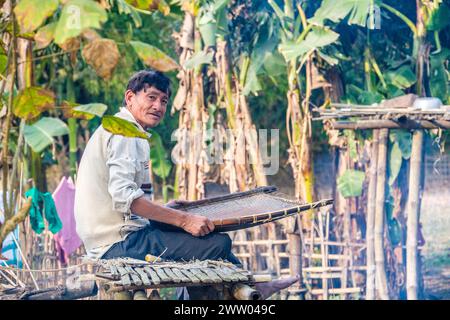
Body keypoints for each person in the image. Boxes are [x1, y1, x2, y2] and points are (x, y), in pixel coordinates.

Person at [74, 69, 298, 299]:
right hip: (118, 244)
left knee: (207, 238)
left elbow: (124, 201)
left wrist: (167, 209)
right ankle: (247, 287)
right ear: (130, 97)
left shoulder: (122, 129)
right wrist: (185, 219)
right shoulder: (126, 133)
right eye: (151, 97)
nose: (158, 106)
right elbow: (126, 199)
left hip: (115, 238)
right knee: (218, 243)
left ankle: (249, 285)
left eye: (163, 101)